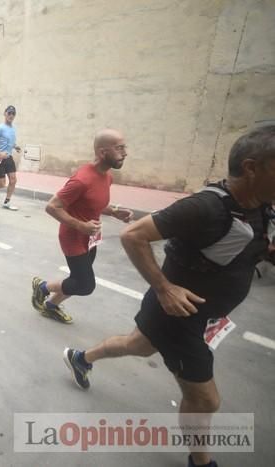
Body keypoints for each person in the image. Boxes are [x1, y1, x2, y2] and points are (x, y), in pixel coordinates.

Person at [62, 125, 275, 467]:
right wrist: (165, 288)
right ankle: (201, 461)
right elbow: (133, 235)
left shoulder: (260, 206)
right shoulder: (206, 207)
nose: (124, 151)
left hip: (196, 315)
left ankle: (80, 357)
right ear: (252, 168)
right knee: (205, 399)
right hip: (179, 319)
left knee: (138, 345)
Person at [31, 129, 134, 323]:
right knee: (85, 285)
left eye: (124, 147)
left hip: (90, 237)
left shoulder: (107, 176)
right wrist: (80, 226)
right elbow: (52, 207)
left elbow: (93, 203)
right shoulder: (82, 179)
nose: (125, 153)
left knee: (77, 279)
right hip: (73, 238)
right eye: (119, 148)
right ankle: (43, 287)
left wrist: (114, 211)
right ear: (103, 152)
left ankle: (51, 306)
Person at [0, 105, 22, 210]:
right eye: (9, 113)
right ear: (5, 113)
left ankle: (7, 202)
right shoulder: (0, 128)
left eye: (13, 114)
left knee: (13, 180)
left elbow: (9, 142)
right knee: (1, 184)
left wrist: (15, 146)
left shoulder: (13, 128)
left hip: (8, 158)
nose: (11, 115)